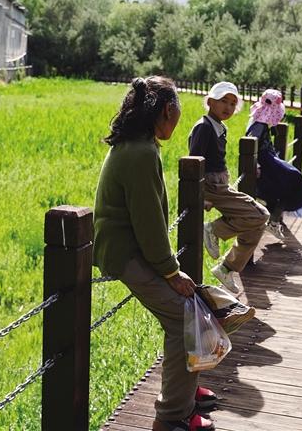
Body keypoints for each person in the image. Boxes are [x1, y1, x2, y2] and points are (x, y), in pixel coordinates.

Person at [93, 76, 216, 431]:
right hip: (126, 253)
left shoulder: (138, 145)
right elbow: (148, 223)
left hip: (134, 248)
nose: (178, 118)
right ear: (166, 110)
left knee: (189, 311)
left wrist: (169, 269)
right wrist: (171, 272)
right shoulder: (142, 153)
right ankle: (173, 416)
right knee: (185, 319)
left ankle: (183, 393)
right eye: (178, 110)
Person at [188, 81, 269, 294]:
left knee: (260, 218)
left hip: (220, 185)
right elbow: (194, 161)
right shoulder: (204, 127)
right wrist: (202, 194)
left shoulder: (219, 127)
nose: (228, 107)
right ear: (210, 102)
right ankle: (212, 229)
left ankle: (227, 268)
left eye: (233, 103)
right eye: (223, 101)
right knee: (259, 215)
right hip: (211, 186)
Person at [246, 88, 302, 238]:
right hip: (265, 162)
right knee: (292, 178)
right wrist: (256, 165)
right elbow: (251, 143)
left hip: (268, 160)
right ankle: (273, 220)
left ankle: (273, 219)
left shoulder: (261, 123)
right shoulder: (259, 125)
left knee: (288, 182)